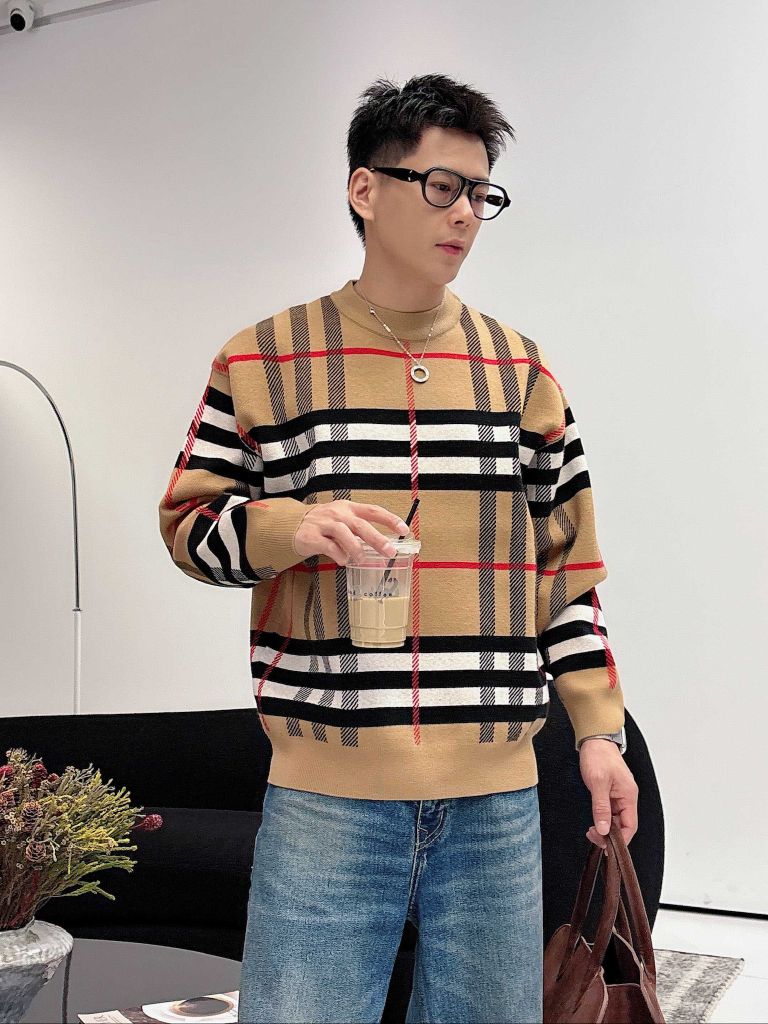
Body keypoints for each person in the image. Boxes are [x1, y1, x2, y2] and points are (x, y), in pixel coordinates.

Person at [158, 72, 638, 1024]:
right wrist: (293, 525)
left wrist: (597, 729)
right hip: (327, 801)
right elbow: (188, 530)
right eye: (442, 186)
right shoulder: (263, 359)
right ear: (365, 188)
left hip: (498, 803)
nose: (464, 214)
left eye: (480, 194)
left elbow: (566, 576)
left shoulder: (521, 370)